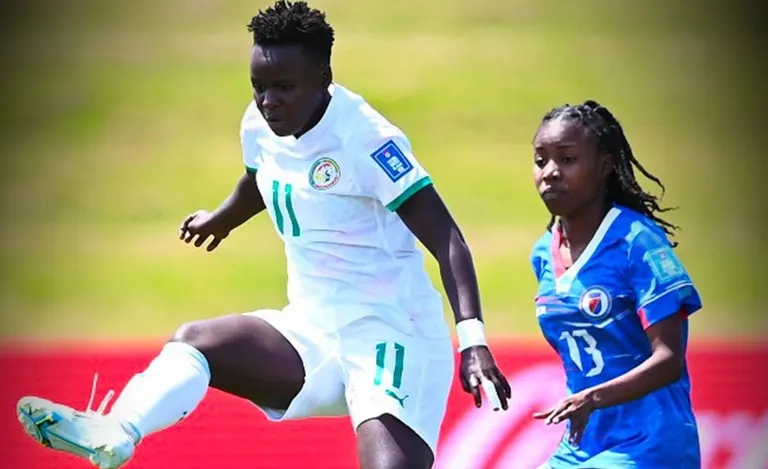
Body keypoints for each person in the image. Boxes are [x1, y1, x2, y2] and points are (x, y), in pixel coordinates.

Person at [15, 1, 511, 468]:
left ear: (324, 77)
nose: (269, 102)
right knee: (196, 342)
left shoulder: (368, 140)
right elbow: (261, 179)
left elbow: (447, 238)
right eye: (259, 86)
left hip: (392, 336)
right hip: (312, 330)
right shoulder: (258, 124)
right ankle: (116, 430)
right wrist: (222, 218)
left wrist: (473, 341)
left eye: (284, 88)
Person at [528, 100, 703, 468]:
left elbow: (669, 360)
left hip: (650, 443)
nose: (551, 172)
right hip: (582, 444)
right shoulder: (543, 252)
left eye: (567, 159)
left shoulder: (637, 242)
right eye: (541, 160)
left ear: (605, 166)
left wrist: (591, 399)